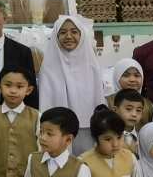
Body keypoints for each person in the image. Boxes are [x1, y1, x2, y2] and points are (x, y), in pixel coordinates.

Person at [37, 14, 106, 154]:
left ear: (82, 36)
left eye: (74, 32)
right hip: (56, 131)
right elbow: (46, 103)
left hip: (87, 130)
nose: (68, 36)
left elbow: (98, 100)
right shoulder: (48, 67)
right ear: (56, 36)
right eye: (62, 32)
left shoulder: (92, 67)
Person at [108, 59, 153, 126]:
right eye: (126, 75)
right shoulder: (107, 102)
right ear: (117, 77)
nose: (132, 80)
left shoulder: (148, 104)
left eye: (136, 75)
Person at [112, 89, 146, 156]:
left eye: (138, 110)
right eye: (128, 109)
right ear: (115, 110)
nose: (134, 114)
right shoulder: (108, 137)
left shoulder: (142, 137)